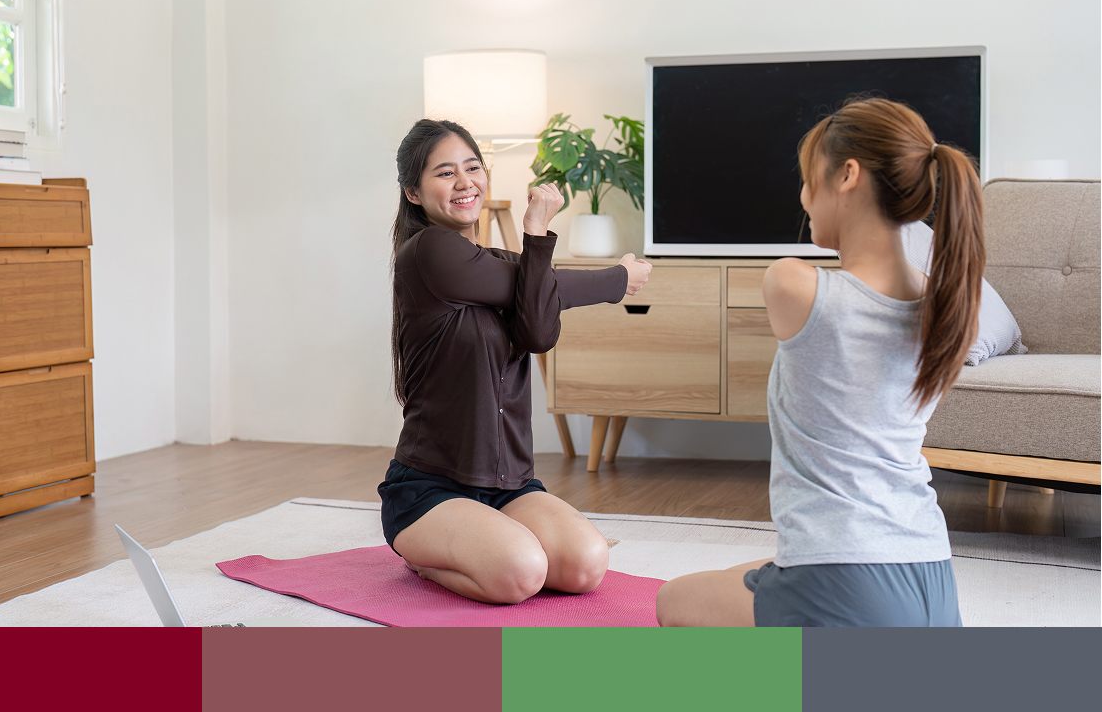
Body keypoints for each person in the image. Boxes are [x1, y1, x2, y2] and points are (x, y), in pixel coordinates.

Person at [656, 97, 984, 627]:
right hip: (931, 579)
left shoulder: (794, 283)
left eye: (810, 179)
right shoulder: (941, 301)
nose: (804, 197)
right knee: (754, 574)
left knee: (673, 603)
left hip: (846, 580)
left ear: (848, 175)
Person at [381, 118, 653, 604]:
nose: (465, 183)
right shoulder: (428, 252)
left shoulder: (499, 264)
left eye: (473, 167)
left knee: (586, 565)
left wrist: (534, 247)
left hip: (508, 485)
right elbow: (537, 286)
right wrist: (616, 277)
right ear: (414, 193)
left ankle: (490, 537)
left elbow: (539, 331)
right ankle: (424, 558)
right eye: (445, 173)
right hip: (429, 489)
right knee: (521, 574)